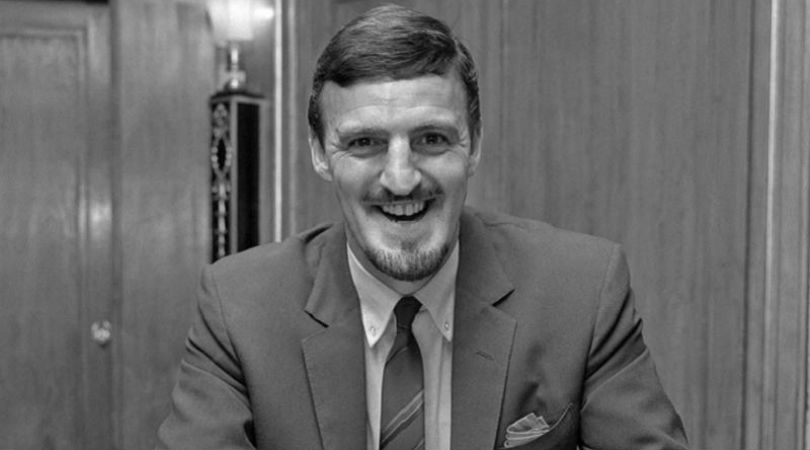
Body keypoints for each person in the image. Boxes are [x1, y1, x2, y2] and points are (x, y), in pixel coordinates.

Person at [156, 4, 688, 450]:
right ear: (319, 152)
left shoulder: (581, 293)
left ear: (474, 145)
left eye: (431, 139)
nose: (401, 178)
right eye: (364, 142)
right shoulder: (239, 309)